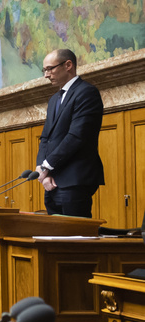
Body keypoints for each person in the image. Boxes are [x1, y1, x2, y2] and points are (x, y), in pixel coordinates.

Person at [36, 49, 104, 218]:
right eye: (44, 70)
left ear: (68, 65)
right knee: (56, 239)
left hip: (75, 179)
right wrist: (41, 169)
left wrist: (47, 166)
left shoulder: (86, 92)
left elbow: (77, 136)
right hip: (51, 181)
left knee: (75, 239)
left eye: (50, 69)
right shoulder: (54, 100)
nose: (46, 75)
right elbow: (46, 137)